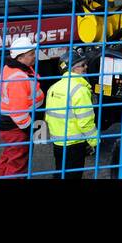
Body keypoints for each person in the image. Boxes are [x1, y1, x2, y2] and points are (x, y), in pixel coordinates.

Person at [45, 47, 100, 179]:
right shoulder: (80, 90)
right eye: (82, 65)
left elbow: (48, 116)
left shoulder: (53, 87)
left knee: (60, 173)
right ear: (73, 69)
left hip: (58, 142)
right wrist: (95, 141)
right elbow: (85, 121)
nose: (86, 67)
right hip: (74, 144)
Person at [0, 34, 45, 178]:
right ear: (20, 57)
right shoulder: (18, 77)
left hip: (10, 126)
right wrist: (32, 128)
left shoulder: (13, 69)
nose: (34, 56)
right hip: (17, 128)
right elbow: (19, 113)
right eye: (31, 54)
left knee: (9, 156)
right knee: (18, 163)